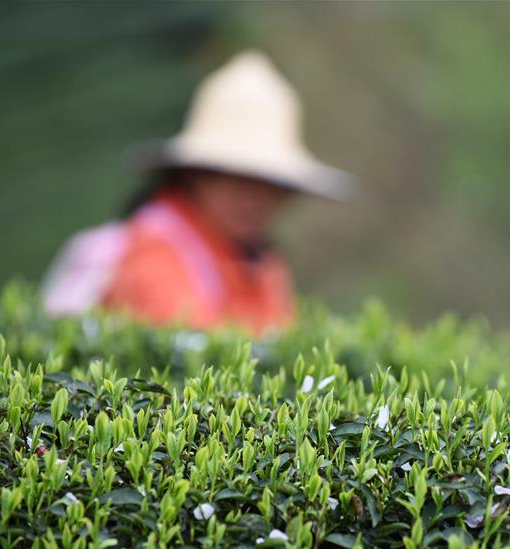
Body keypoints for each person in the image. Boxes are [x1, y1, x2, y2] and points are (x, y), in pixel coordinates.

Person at [41, 50, 352, 335]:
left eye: (270, 184)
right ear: (197, 175)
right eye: (237, 178)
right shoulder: (154, 253)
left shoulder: (261, 264)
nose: (254, 199)